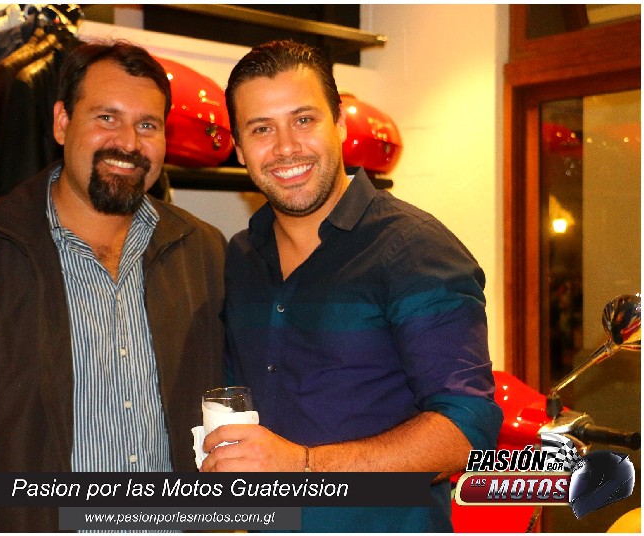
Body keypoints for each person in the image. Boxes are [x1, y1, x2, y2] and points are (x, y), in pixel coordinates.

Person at [0, 41, 227, 532]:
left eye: (147, 125)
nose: (128, 142)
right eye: (106, 117)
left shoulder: (202, 250)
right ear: (62, 122)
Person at [201, 40, 502, 532]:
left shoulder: (414, 249)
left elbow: (466, 430)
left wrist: (303, 466)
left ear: (339, 124)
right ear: (239, 148)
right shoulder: (241, 256)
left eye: (304, 120)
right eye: (261, 129)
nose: (286, 147)